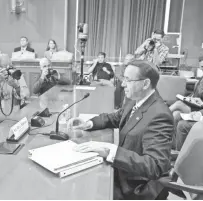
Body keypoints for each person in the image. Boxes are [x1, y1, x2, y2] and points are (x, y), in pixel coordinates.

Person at [69, 60, 174, 199]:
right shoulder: (136, 98)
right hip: (124, 172)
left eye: (128, 80)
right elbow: (116, 117)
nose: (123, 84)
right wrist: (88, 124)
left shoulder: (159, 115)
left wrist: (110, 150)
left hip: (137, 186)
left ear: (146, 84)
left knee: (83, 190)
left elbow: (154, 166)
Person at [0, 54, 30, 128]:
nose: (7, 70)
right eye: (4, 67)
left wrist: (16, 86)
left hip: (15, 123)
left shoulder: (16, 75)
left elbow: (26, 95)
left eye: (9, 66)